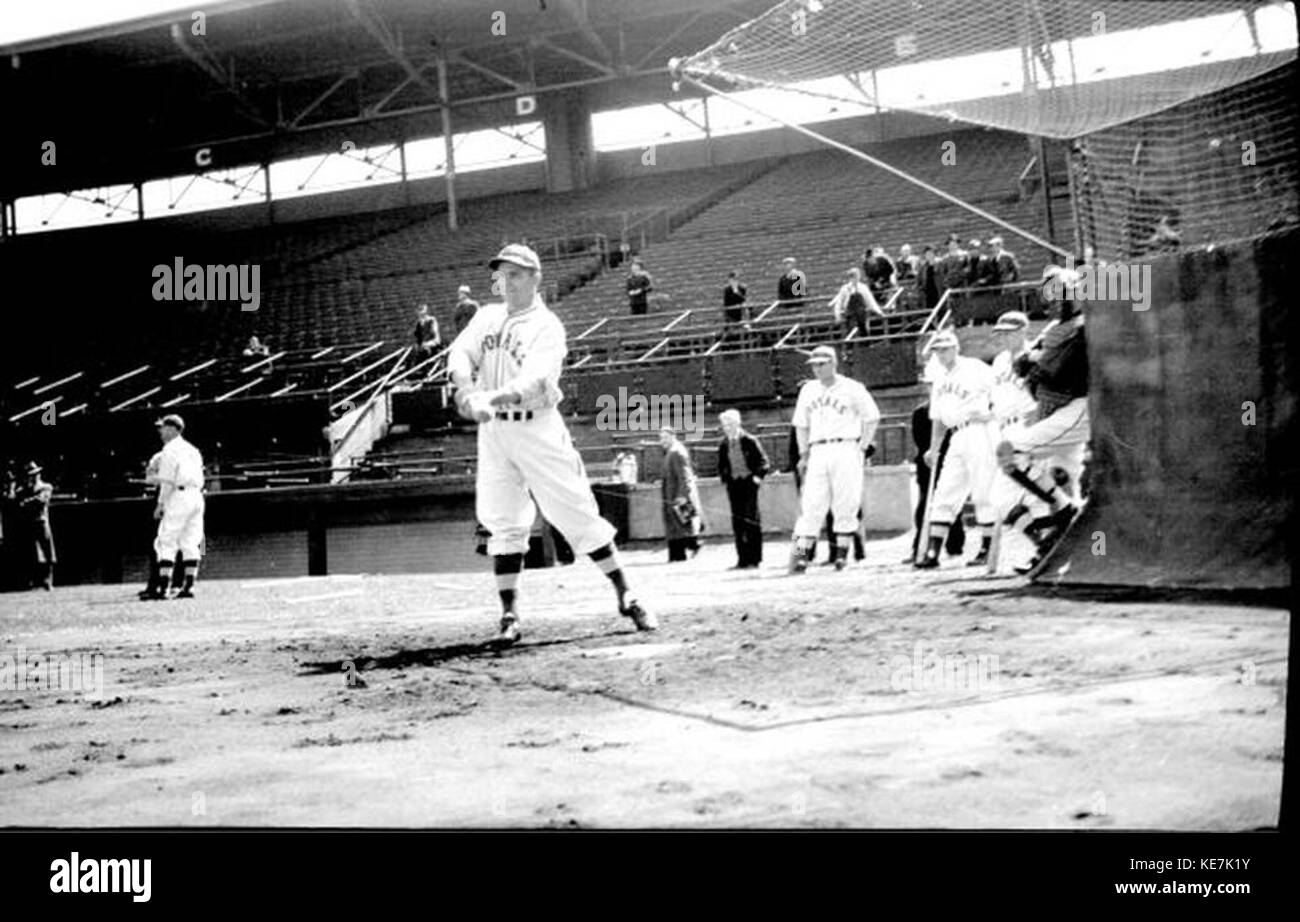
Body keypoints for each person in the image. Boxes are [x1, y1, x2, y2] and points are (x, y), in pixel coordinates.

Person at [447, 243, 655, 646]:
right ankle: (509, 615)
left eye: (517, 275)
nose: (507, 282)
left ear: (535, 278)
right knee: (501, 520)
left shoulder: (547, 325)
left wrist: (489, 398)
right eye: (502, 275)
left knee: (574, 510)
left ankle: (626, 593)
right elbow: (460, 352)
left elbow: (534, 380)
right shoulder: (487, 316)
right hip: (495, 434)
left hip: (537, 427)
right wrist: (467, 388)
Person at [997, 273, 1091, 573]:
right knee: (1061, 479)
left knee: (1011, 452)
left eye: (1057, 296)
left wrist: (1033, 362)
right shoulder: (1057, 329)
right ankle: (1063, 560)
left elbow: (1053, 371)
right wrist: (1031, 361)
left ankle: (1066, 512)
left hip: (1077, 406)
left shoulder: (1082, 328)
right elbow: (1029, 366)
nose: (1051, 304)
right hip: (1058, 410)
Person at [788, 345, 880, 573]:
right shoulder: (808, 390)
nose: (816, 369)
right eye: (814, 365)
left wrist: (863, 446)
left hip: (846, 446)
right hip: (818, 449)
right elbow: (801, 425)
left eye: (821, 364)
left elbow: (872, 417)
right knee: (810, 506)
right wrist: (803, 454)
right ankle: (801, 557)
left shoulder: (852, 388)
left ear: (833, 363)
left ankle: (841, 556)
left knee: (845, 503)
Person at [914, 329, 999, 569]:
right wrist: (933, 449)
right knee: (944, 492)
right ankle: (932, 552)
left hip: (979, 430)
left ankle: (986, 547)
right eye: (937, 350)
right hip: (957, 435)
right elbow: (938, 418)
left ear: (955, 347)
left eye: (945, 348)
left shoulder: (975, 367)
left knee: (983, 491)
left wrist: (994, 415)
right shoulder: (939, 377)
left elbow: (1000, 392)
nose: (941, 354)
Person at [141, 415, 205, 599]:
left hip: (179, 494)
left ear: (172, 429)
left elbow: (167, 480)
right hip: (197, 496)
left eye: (163, 428)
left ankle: (163, 588)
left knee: (166, 540)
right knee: (191, 541)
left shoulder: (169, 449)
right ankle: (189, 586)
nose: (160, 431)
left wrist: (160, 504)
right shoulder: (193, 449)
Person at [716, 410, 770, 569]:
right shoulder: (723, 444)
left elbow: (764, 462)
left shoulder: (749, 440)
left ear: (738, 423)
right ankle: (742, 559)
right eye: (725, 425)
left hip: (749, 483)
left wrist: (757, 477)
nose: (727, 428)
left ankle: (755, 559)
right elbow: (721, 465)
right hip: (734, 485)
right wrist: (725, 478)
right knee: (737, 522)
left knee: (751, 521)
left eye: (730, 424)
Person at [659, 427, 702, 562]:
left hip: (676, 495)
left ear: (673, 436)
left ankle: (689, 547)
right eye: (661, 438)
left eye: (665, 437)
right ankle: (678, 554)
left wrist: (683, 495)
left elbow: (684, 476)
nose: (662, 441)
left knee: (680, 525)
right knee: (676, 526)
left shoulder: (677, 452)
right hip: (670, 494)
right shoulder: (670, 452)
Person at [11, 461, 56, 590]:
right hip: (27, 524)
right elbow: (14, 500)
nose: (33, 477)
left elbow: (41, 500)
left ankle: (48, 581)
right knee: (29, 553)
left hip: (41, 522)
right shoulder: (23, 490)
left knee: (47, 551)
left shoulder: (46, 487)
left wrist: (26, 501)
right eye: (31, 474)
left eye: (35, 474)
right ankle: (31, 581)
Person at [828, 268, 882, 338]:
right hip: (850, 314)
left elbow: (870, 300)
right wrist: (837, 316)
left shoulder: (863, 288)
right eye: (854, 277)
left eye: (857, 276)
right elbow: (839, 303)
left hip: (862, 314)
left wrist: (879, 312)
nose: (856, 278)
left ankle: (866, 343)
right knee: (851, 330)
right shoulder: (845, 289)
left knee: (864, 330)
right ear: (850, 278)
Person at [917, 245, 942, 313]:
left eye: (931, 253)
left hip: (938, 292)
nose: (929, 256)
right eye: (927, 254)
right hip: (928, 294)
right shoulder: (923, 267)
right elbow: (919, 281)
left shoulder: (940, 264)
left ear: (934, 254)